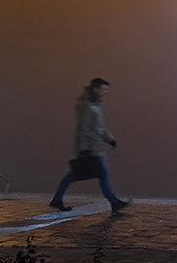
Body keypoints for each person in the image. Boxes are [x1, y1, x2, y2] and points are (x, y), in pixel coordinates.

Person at [50, 77, 131, 213]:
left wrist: (110, 139)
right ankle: (114, 202)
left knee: (75, 174)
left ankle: (57, 199)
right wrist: (83, 149)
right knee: (100, 175)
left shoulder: (96, 105)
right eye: (103, 89)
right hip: (91, 149)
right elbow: (83, 128)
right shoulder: (88, 106)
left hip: (94, 147)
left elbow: (100, 127)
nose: (105, 92)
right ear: (96, 89)